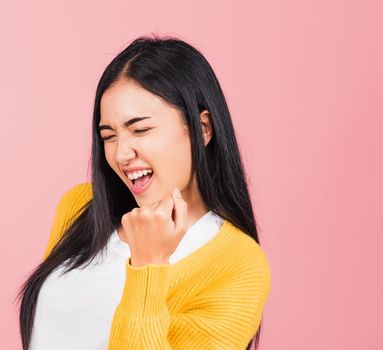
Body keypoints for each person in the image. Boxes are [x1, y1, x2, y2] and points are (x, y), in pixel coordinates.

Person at [16, 35, 272, 350]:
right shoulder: (81, 207)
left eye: (140, 130)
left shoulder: (239, 265)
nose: (122, 153)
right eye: (109, 135)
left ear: (202, 129)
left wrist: (149, 265)